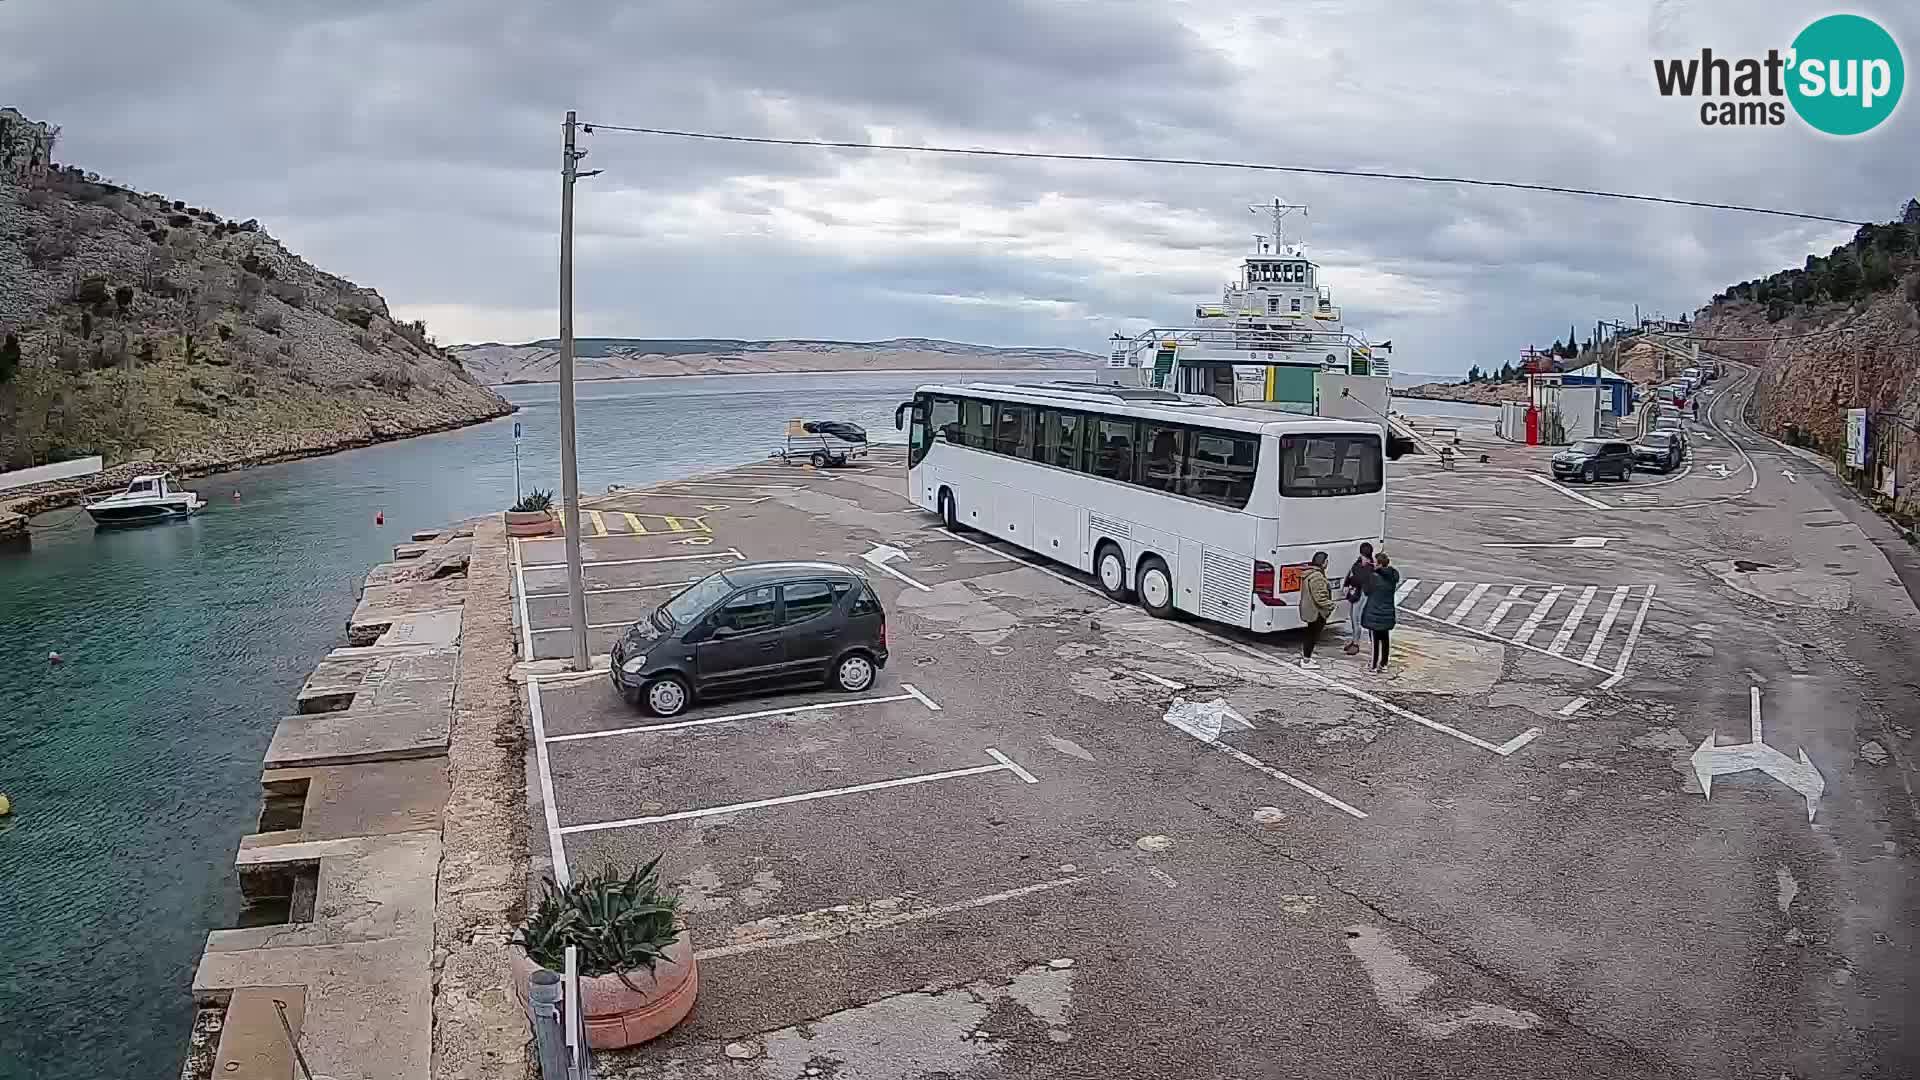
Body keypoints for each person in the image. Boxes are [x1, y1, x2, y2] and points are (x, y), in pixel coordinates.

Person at [1361, 551, 1400, 673]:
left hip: (1374, 612)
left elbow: (1366, 591)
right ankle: (1383, 664)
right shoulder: (1392, 577)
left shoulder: (1373, 577)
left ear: (1378, 564)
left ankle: (1373, 666)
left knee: (1375, 640)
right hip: (1387, 612)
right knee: (1385, 638)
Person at [1298, 551, 1333, 670]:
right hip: (1316, 612)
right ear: (1323, 563)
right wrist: (1331, 605)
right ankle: (1306, 660)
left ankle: (1307, 657)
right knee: (1312, 635)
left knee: (1310, 634)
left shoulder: (1310, 574)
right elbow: (1320, 597)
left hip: (1310, 610)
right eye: (1326, 561)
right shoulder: (1317, 577)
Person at [1342, 542, 1375, 655]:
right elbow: (1350, 575)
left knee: (1356, 619)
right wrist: (1347, 584)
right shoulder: (1359, 564)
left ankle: (1356, 643)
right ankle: (1354, 641)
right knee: (1354, 618)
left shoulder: (1369, 567)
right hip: (1356, 594)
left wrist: (1350, 583)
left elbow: (1358, 579)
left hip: (1362, 595)